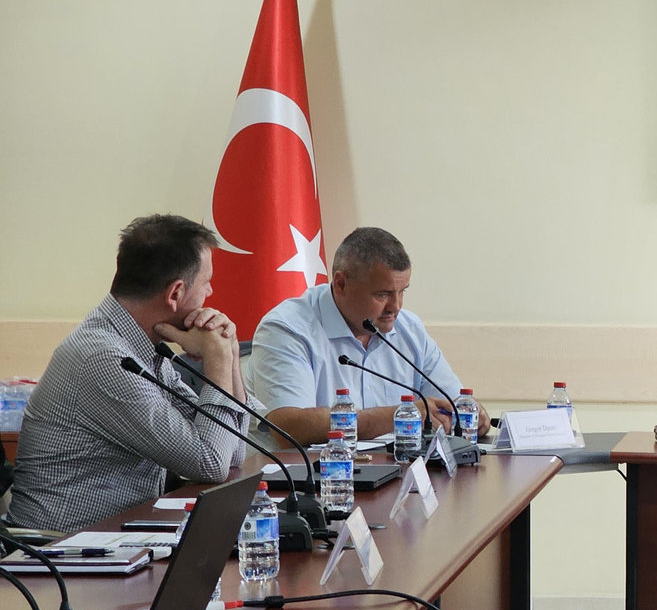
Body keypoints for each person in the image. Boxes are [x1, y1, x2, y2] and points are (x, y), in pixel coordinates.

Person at [8, 215, 252, 533]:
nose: (211, 290)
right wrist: (217, 359)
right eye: (206, 281)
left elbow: (232, 451)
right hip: (60, 548)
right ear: (175, 293)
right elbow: (210, 463)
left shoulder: (139, 344)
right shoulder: (104, 358)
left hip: (113, 540)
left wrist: (228, 351)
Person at [251, 227, 487, 444]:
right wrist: (399, 416)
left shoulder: (409, 329)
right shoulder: (286, 329)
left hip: (396, 469)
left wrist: (471, 416)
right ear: (341, 284)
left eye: (402, 292)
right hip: (315, 473)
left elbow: (449, 403)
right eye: (382, 295)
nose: (395, 307)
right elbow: (288, 428)